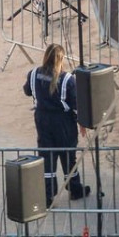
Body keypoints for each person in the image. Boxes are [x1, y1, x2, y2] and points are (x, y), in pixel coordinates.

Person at [25, 43, 86, 204]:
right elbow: (76, 104)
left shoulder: (33, 74)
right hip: (63, 122)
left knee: (47, 157)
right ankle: (74, 189)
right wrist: (82, 123)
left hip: (42, 120)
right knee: (68, 156)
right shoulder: (67, 80)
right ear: (61, 59)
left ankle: (47, 195)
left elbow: (27, 91)